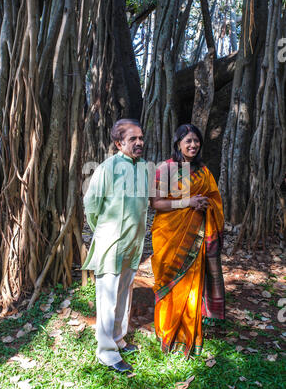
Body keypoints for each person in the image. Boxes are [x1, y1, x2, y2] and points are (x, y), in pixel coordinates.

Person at [150, 123, 225, 359]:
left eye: (196, 141)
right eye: (188, 141)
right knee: (169, 283)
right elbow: (156, 203)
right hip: (169, 236)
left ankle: (187, 336)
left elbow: (214, 199)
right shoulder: (166, 169)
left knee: (192, 287)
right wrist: (188, 202)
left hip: (195, 237)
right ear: (178, 144)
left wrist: (206, 204)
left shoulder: (203, 172)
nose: (193, 145)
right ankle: (166, 333)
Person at [82, 119, 148, 373]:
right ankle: (106, 352)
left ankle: (119, 339)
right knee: (107, 296)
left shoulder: (142, 167)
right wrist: (106, 230)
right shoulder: (107, 168)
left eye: (141, 138)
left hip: (133, 242)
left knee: (124, 292)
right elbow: (91, 206)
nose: (139, 142)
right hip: (111, 242)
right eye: (133, 139)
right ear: (119, 143)